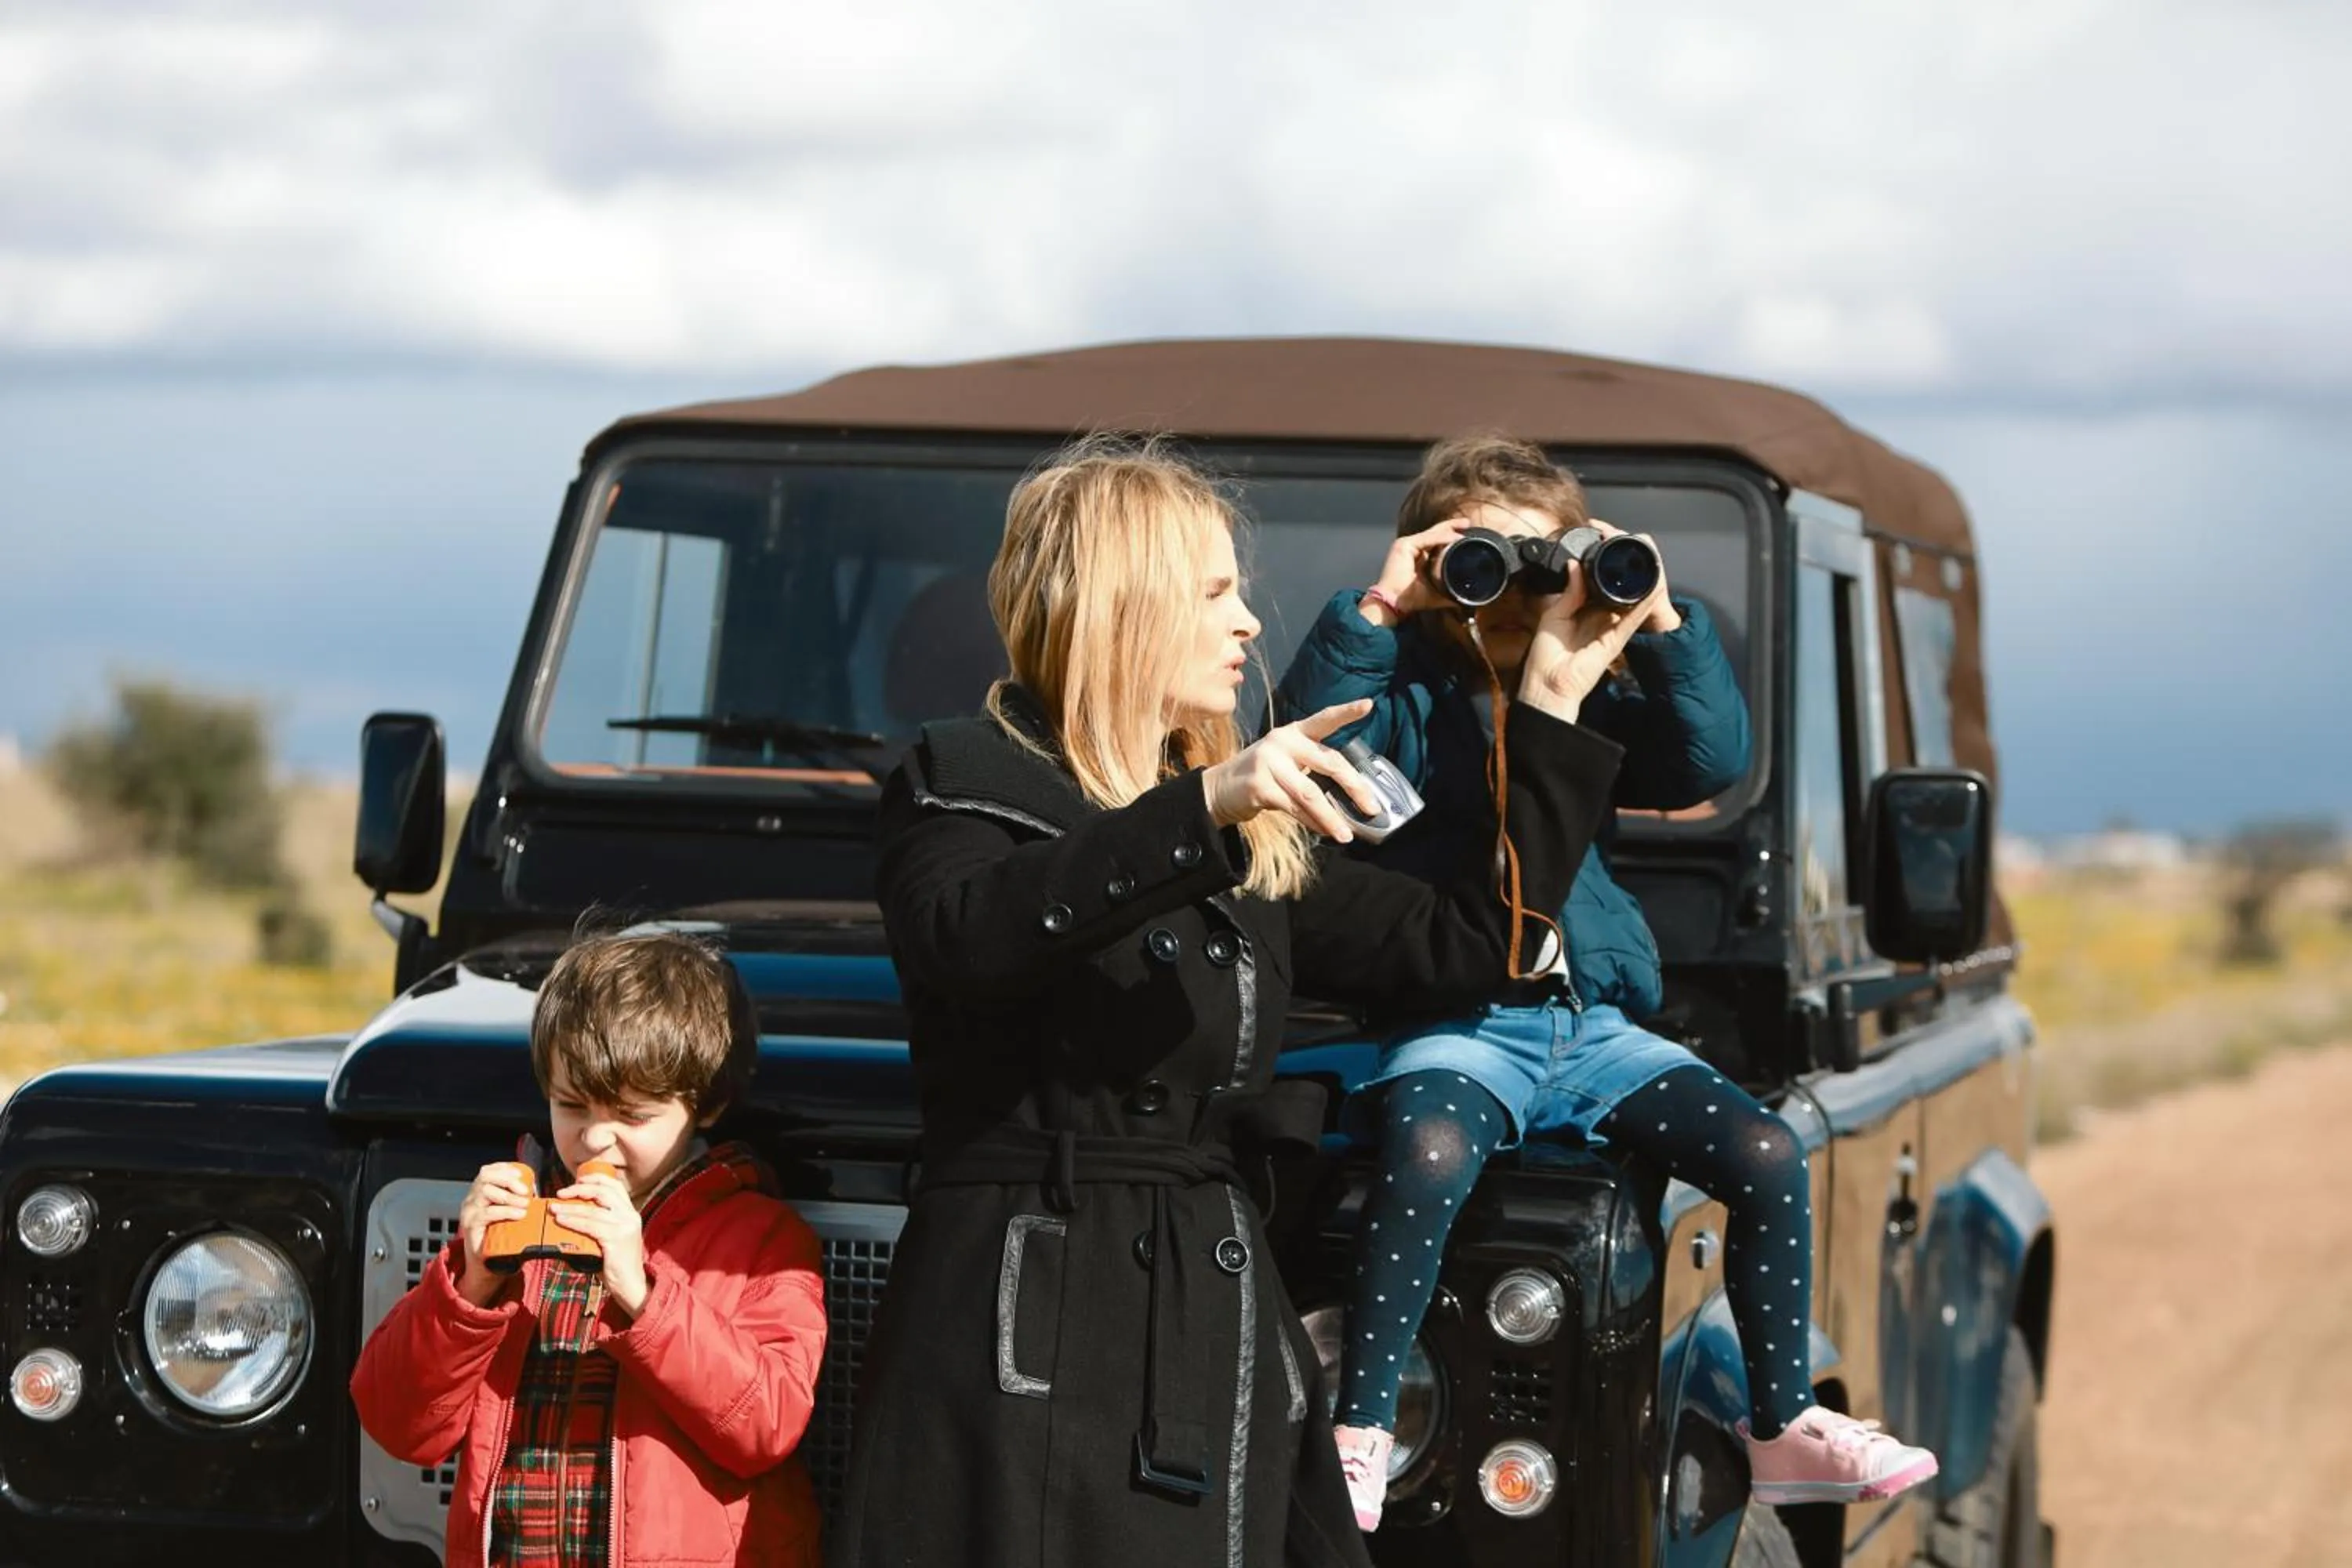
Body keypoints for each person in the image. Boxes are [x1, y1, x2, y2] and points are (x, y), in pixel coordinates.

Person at [829, 439, 1639, 1568]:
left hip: (1216, 1324)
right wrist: (1204, 807)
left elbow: (1472, 944)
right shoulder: (960, 779)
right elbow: (972, 936)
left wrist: (1551, 695)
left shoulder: (1241, 826)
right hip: (1028, 1339)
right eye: (1216, 593)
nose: (1251, 622)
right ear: (1126, 606)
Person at [1274, 434, 1938, 1528]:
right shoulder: (1397, 699)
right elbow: (1301, 734)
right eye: (1482, 555)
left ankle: (1782, 1432)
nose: (1517, 583)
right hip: (1462, 1022)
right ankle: (1363, 1428)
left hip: (1590, 1027)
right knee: (1427, 1147)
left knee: (1767, 1153)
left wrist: (1660, 621)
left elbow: (1709, 760)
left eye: (1549, 558)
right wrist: (1383, 606)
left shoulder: (1590, 695)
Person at [351, 929, 829, 1568]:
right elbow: (397, 1423)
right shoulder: (515, 1237)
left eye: (633, 1116)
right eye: (571, 1105)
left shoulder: (759, 1239)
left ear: (706, 1105)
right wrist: (470, 1287)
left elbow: (765, 1426)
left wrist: (642, 1294)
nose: (596, 1139)